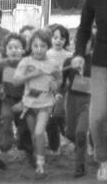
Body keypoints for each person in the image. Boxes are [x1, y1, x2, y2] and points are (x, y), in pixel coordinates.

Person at [71, 0, 107, 181]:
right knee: (96, 119)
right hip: (101, 65)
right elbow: (83, 29)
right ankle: (103, 160)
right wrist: (78, 54)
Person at [13, 29, 61, 177]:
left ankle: (40, 165)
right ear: (30, 46)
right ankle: (38, 157)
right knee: (35, 135)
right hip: (29, 105)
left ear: (48, 46)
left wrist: (55, 85)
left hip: (45, 104)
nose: (39, 49)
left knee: (40, 132)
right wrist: (32, 74)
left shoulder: (53, 63)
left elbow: (59, 79)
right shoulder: (25, 61)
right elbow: (16, 81)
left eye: (43, 46)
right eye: (35, 46)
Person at [0, 33, 34, 168]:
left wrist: (23, 103)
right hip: (7, 100)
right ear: (5, 50)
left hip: (24, 102)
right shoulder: (3, 65)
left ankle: (30, 154)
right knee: (5, 121)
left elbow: (33, 87)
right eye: (10, 47)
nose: (14, 50)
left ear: (23, 49)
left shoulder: (28, 65)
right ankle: (3, 155)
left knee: (24, 130)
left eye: (17, 47)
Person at [62, 36, 94, 178]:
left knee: (81, 133)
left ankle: (80, 165)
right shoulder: (69, 61)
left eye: (85, 42)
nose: (80, 45)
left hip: (88, 100)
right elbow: (61, 81)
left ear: (91, 45)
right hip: (71, 99)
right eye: (77, 42)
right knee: (70, 134)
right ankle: (82, 147)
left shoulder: (96, 62)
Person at [46, 24, 72, 155]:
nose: (58, 40)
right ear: (50, 38)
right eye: (55, 37)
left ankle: (66, 134)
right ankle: (54, 146)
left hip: (63, 91)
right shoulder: (45, 54)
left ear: (66, 40)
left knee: (57, 115)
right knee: (49, 120)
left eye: (62, 38)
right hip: (48, 91)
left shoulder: (69, 55)